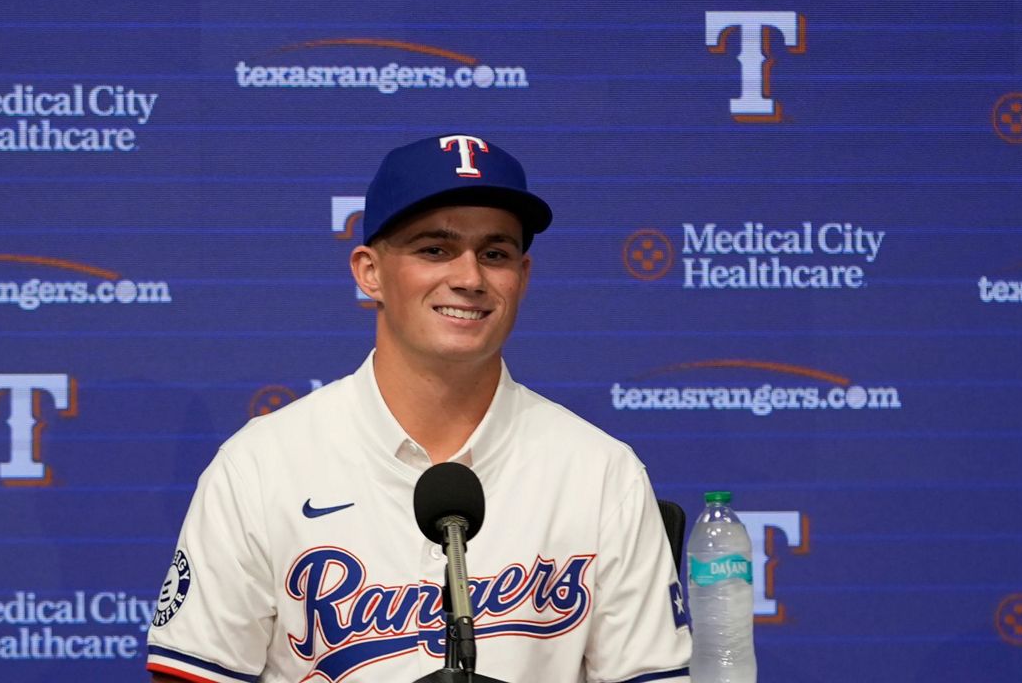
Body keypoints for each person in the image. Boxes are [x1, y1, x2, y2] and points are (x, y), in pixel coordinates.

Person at [146, 135, 692, 683]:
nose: (470, 278)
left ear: (522, 277)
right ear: (369, 272)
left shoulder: (601, 473)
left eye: (495, 254)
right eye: (435, 250)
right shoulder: (260, 466)